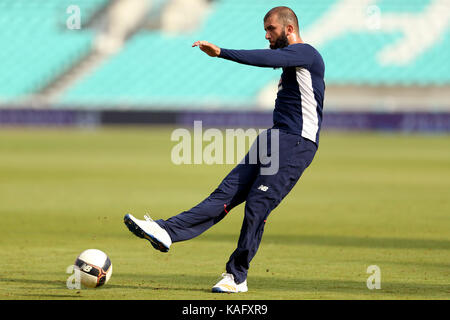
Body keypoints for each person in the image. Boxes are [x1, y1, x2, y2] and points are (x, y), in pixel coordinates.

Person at [124, 6, 325, 293]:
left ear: (289, 29)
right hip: (273, 138)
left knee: (258, 204)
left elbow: (267, 58)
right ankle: (166, 231)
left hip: (296, 143)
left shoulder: (308, 54)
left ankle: (237, 277)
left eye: (271, 29)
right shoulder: (291, 62)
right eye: (265, 30)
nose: (267, 35)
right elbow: (273, 58)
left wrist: (222, 52)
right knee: (225, 194)